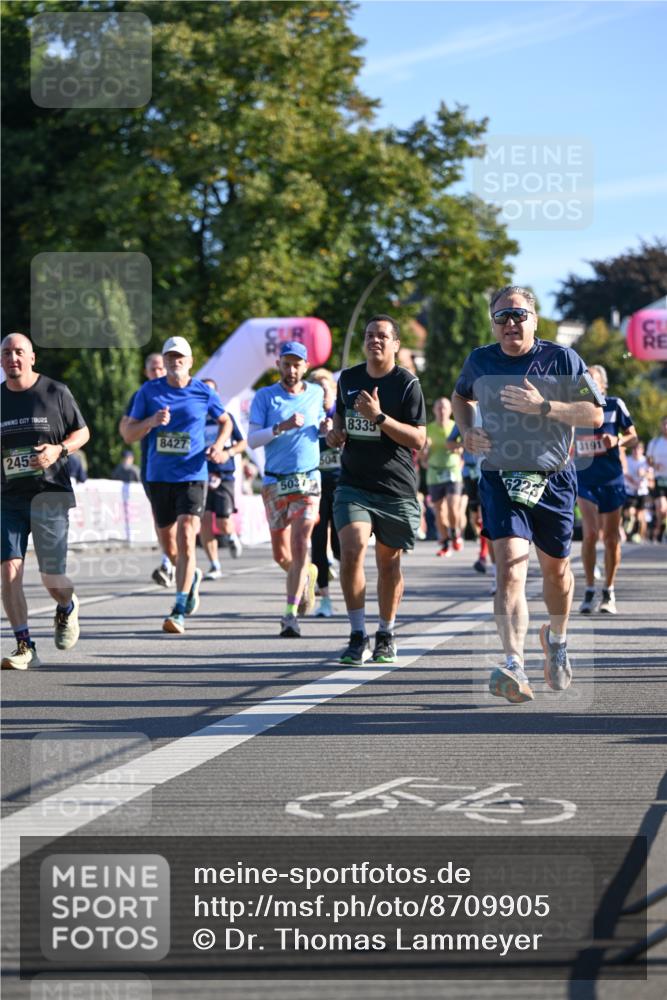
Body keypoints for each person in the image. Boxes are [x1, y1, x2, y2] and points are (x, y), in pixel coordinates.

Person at [452, 286, 604, 704]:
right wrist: (467, 430)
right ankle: (514, 664)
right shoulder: (480, 361)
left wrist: (544, 406)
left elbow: (594, 413)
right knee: (509, 569)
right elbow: (460, 396)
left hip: (553, 479)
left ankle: (557, 639)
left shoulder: (562, 359)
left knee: (556, 573)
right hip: (501, 478)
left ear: (534, 320)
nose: (510, 323)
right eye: (501, 317)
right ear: (493, 324)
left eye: (518, 315)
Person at [327, 315, 426, 664]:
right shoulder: (349, 378)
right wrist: (335, 432)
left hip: (395, 487)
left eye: (383, 336)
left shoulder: (407, 384)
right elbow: (340, 417)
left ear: (396, 344)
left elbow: (418, 439)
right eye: (370, 335)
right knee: (351, 548)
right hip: (354, 484)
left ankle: (386, 632)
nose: (375, 341)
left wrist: (379, 417)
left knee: (388, 563)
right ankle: (358, 635)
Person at [123, 336, 232, 634]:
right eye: (170, 357)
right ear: (164, 361)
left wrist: (219, 445)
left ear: (190, 361)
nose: (175, 362)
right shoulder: (148, 391)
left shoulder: (202, 391)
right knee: (170, 546)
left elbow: (226, 422)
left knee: (186, 536)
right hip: (159, 477)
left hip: (192, 475)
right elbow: (128, 433)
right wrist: (151, 422)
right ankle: (191, 576)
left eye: (180, 357)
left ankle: (179, 608)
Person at [1, 333, 90, 669]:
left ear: (32, 357)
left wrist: (59, 450)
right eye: (6, 353)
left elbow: (82, 432)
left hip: (50, 495)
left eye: (18, 352)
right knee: (9, 570)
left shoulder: (55, 392)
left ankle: (67, 606)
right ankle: (25, 646)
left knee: (52, 579)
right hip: (8, 498)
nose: (12, 358)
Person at [247, 342, 324, 638]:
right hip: (275, 481)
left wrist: (326, 428)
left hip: (308, 480)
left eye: (297, 365)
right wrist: (281, 427)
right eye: (287, 364)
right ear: (278, 364)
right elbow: (253, 440)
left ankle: (290, 614)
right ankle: (307, 573)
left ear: (306, 367)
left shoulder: (316, 393)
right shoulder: (265, 396)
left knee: (301, 541)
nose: (291, 370)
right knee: (281, 555)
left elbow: (322, 424)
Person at [575, 365, 638, 615]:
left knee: (611, 539)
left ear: (603, 385)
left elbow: (633, 436)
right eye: (585, 380)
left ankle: (608, 591)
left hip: (611, 478)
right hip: (585, 478)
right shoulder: (576, 408)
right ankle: (590, 590)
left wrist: (617, 440)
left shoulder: (615, 405)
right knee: (590, 533)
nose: (588, 384)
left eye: (592, 380)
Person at [119, 352, 175, 587]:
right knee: (161, 516)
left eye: (161, 368)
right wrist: (150, 421)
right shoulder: (141, 395)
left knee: (183, 519)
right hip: (153, 466)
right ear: (146, 372)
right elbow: (125, 429)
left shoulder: (186, 390)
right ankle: (168, 561)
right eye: (153, 369)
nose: (158, 372)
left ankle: (178, 561)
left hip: (186, 467)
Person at [200, 377, 246, 580]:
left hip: (224, 474)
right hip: (200, 475)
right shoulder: (195, 419)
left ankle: (231, 535)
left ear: (217, 395)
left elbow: (243, 443)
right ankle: (214, 564)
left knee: (222, 521)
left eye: (211, 391)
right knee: (204, 521)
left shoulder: (227, 418)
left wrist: (227, 453)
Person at [309, 367, 341, 618]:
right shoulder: (308, 418)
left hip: (342, 487)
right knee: (318, 543)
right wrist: (316, 434)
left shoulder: (342, 415)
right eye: (317, 391)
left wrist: (337, 434)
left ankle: (349, 583)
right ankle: (326, 599)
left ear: (334, 392)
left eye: (326, 390)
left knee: (341, 545)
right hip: (316, 489)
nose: (322, 396)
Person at [425, 397, 464, 557]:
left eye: (445, 408)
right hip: (434, 473)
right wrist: (425, 449)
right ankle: (445, 542)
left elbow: (464, 447)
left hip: (453, 470)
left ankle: (455, 532)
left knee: (453, 506)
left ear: (450, 410)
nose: (442, 411)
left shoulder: (456, 426)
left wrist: (458, 448)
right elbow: (422, 457)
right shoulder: (429, 428)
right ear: (434, 410)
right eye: (439, 408)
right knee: (439, 511)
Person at [623, 441, 651, 543]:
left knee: (640, 516)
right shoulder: (627, 460)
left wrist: (644, 474)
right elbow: (624, 473)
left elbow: (651, 475)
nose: (635, 451)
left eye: (638, 449)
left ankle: (639, 535)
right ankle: (629, 527)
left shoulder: (645, 461)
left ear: (642, 450)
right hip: (630, 491)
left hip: (642, 492)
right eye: (634, 449)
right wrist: (632, 481)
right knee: (630, 512)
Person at [647, 415, 667, 544]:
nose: (666, 427)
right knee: (661, 508)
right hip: (659, 479)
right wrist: (655, 465)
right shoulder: (654, 443)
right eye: (664, 424)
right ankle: (659, 529)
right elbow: (649, 460)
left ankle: (660, 531)